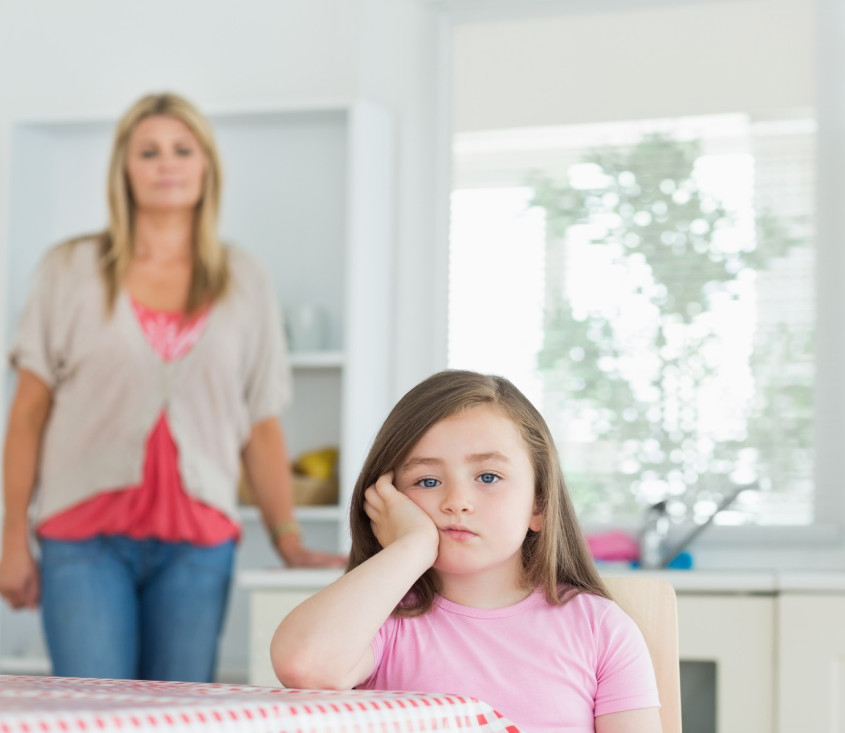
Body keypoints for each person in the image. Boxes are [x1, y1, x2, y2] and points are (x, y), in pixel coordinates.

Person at [0, 92, 345, 683]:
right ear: (124, 169)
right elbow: (29, 413)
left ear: (206, 165)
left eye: (182, 150)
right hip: (82, 539)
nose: (167, 163)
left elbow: (260, 421)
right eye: (149, 151)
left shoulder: (243, 279)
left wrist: (288, 539)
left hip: (198, 542)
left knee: (178, 717)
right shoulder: (69, 269)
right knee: (92, 711)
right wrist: (10, 538)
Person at [270, 370, 661, 733]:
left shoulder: (600, 629)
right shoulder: (381, 625)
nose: (457, 501)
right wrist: (412, 546)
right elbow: (304, 666)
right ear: (386, 501)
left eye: (488, 477)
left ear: (538, 505)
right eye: (427, 480)